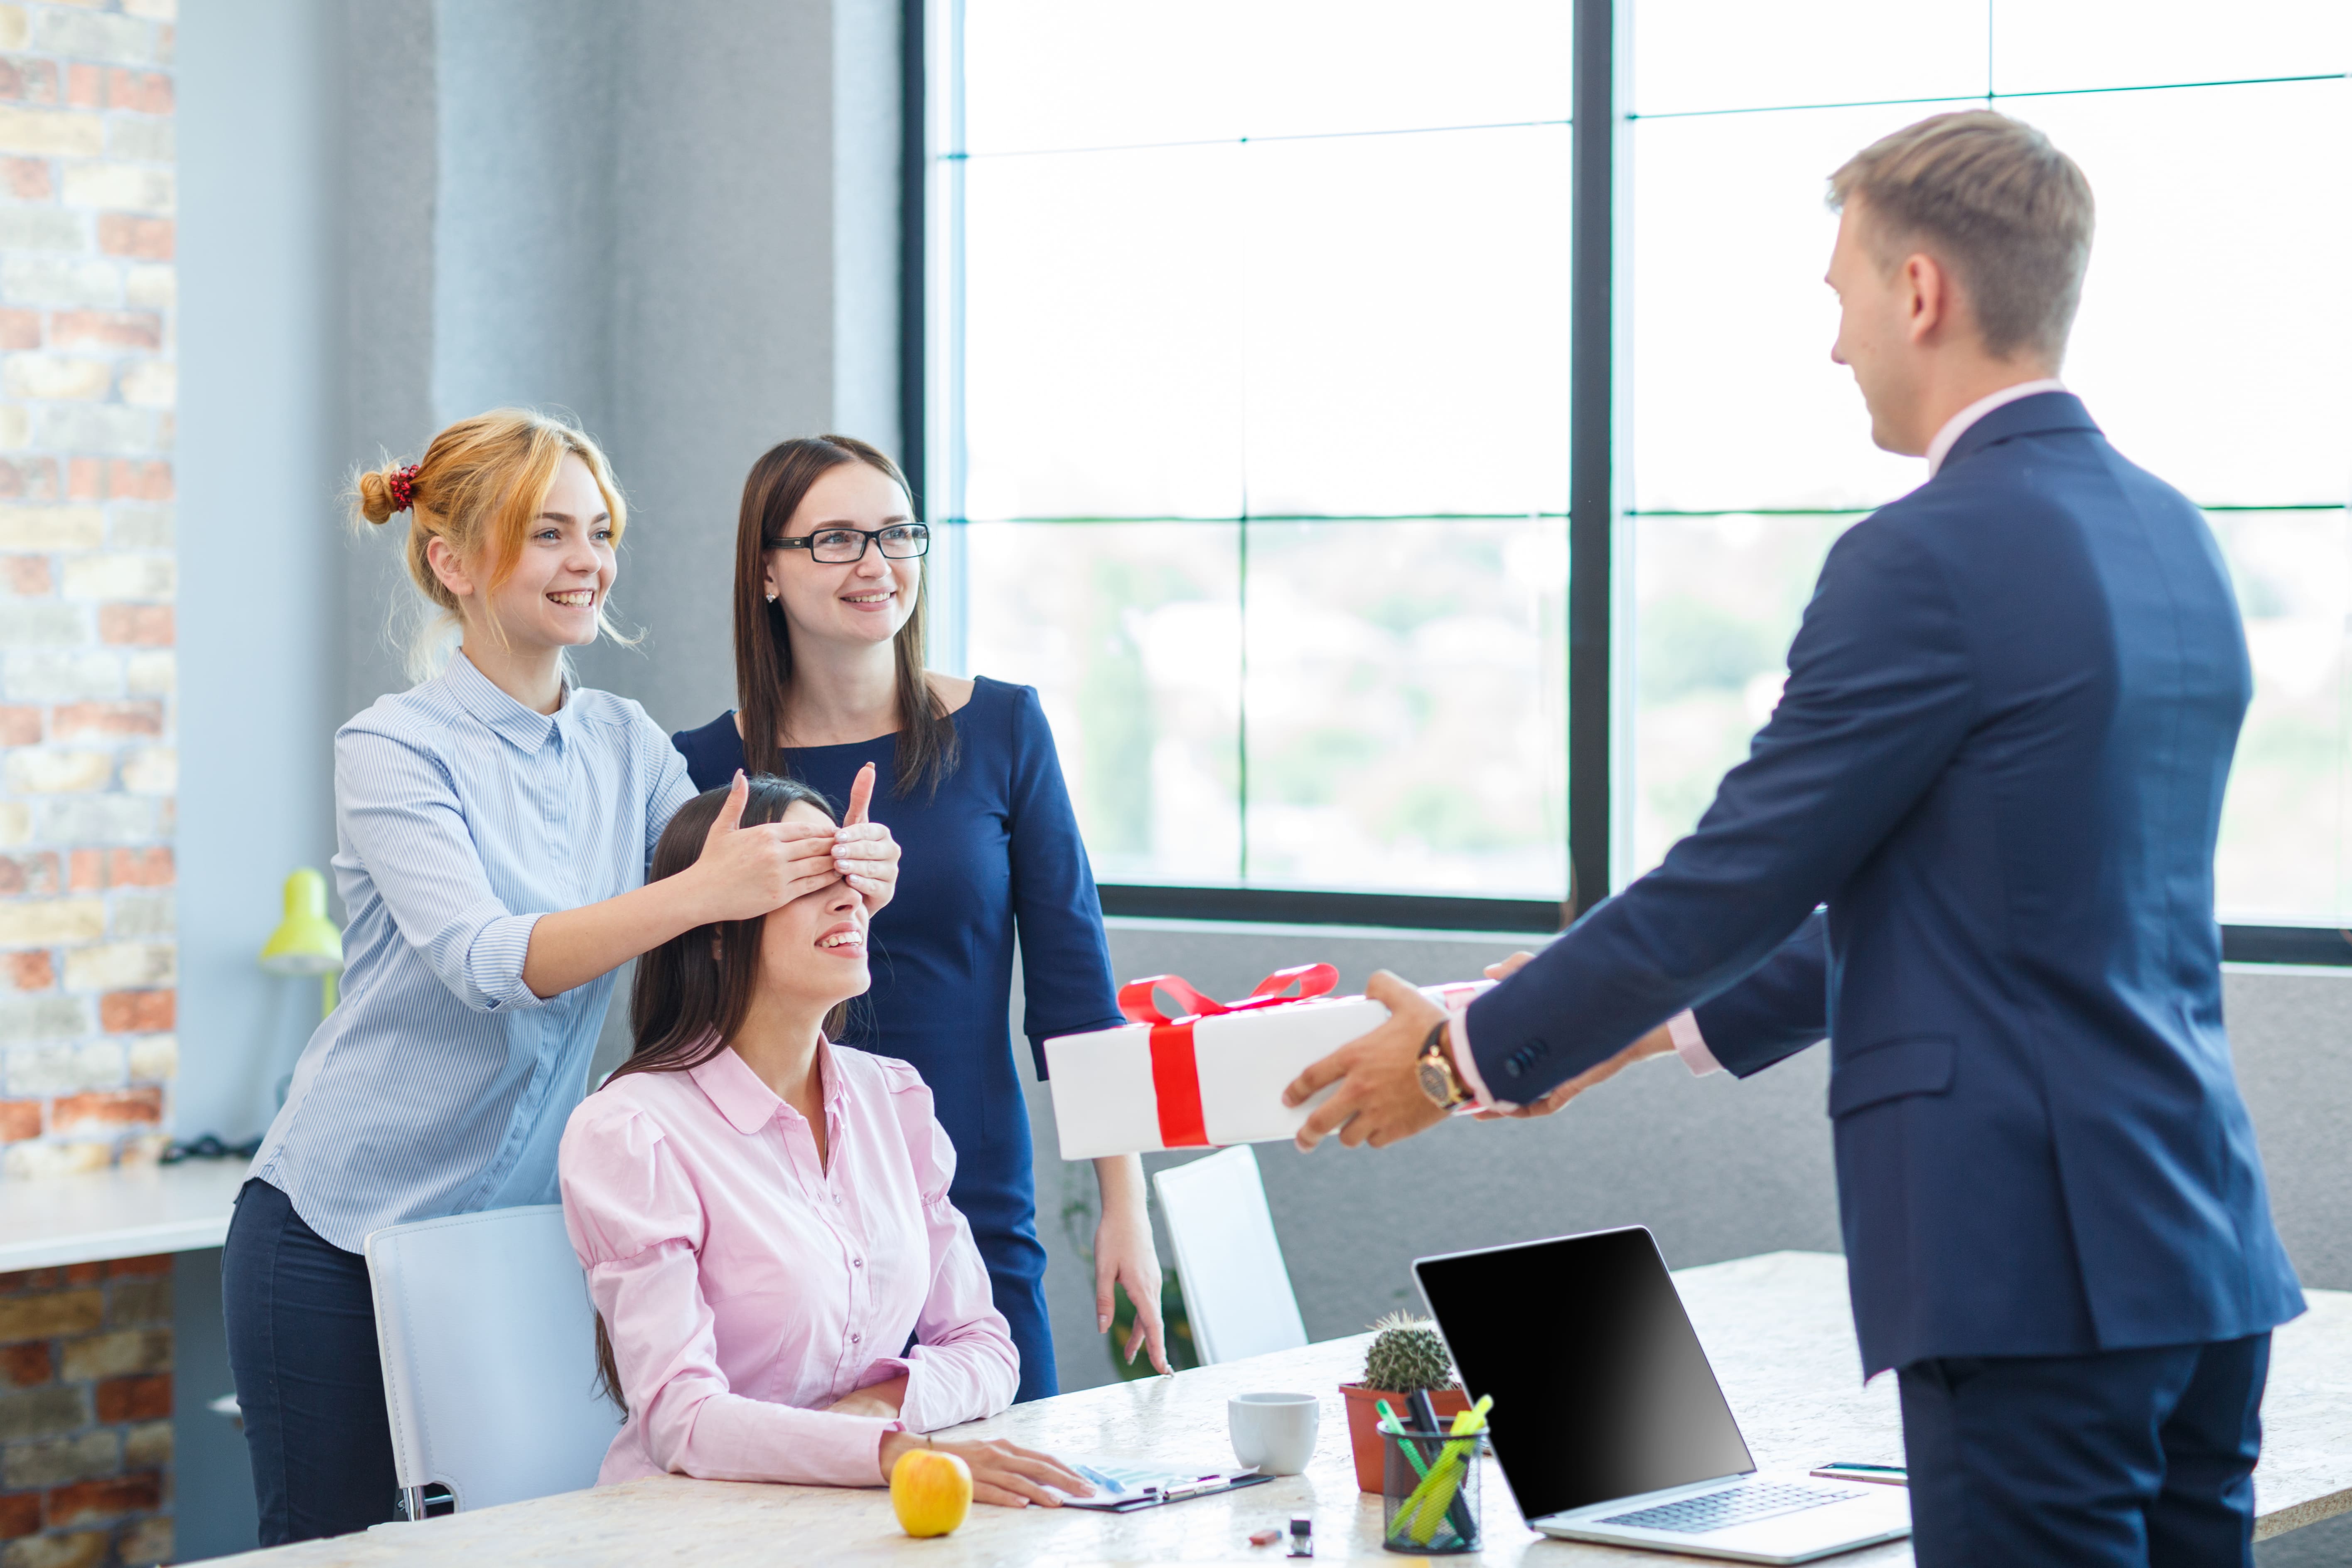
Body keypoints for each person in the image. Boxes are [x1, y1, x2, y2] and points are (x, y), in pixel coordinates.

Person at [1282, 112, 2303, 1568]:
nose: (1835, 346)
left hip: (2028, 1262)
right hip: (2197, 1245)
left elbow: (1739, 877)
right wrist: (1613, 1036)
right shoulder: (2171, 537)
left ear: (1922, 291)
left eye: (1840, 295)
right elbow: (1957, 908)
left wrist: (1463, 1055)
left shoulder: (1926, 554)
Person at [226, 411, 903, 1543]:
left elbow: (712, 897)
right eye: (548, 533)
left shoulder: (625, 739)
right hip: (332, 1234)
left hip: (517, 1234)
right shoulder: (391, 748)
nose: (588, 561)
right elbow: (492, 959)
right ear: (452, 560)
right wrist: (706, 889)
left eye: (598, 530)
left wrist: (835, 863)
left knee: (523, 1542)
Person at [671, 435, 1166, 1398]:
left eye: (897, 533)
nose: (876, 563)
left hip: (969, 1203)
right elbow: (695, 1005)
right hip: (778, 1227)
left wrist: (1124, 1203)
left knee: (1008, 1508)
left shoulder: (1002, 730)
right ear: (766, 570)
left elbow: (1076, 992)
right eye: (837, 539)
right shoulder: (700, 769)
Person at [560, 775, 1092, 1504]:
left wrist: (877, 1417)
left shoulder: (895, 1098)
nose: (852, 899)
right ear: (715, 926)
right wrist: (882, 1453)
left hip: (854, 1514)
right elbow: (680, 1420)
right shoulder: (631, 1130)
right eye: (808, 876)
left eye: (851, 873)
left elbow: (986, 1347)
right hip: (691, 1531)